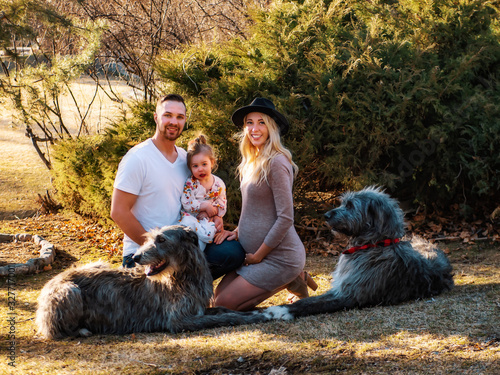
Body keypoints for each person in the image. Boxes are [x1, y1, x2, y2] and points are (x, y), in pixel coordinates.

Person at [110, 94, 245, 279]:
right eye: (168, 115)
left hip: (181, 249)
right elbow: (118, 212)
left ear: (184, 121)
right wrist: (157, 250)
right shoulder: (137, 158)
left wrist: (215, 222)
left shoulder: (185, 159)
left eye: (180, 117)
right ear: (156, 117)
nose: (174, 121)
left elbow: (196, 200)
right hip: (144, 253)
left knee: (233, 251)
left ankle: (200, 295)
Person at [213, 97, 317, 311]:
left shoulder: (276, 162)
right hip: (255, 255)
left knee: (224, 304)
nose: (254, 128)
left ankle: (289, 278)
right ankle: (294, 280)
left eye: (261, 122)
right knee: (217, 298)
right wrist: (239, 231)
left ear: (271, 127)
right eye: (249, 122)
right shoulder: (251, 162)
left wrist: (259, 255)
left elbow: (286, 217)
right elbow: (255, 208)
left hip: (279, 257)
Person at [180, 135, 227, 251]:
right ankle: (193, 247)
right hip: (192, 217)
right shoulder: (191, 183)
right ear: (190, 168)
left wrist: (214, 214)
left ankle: (199, 249)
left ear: (212, 162)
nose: (200, 169)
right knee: (187, 225)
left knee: (210, 231)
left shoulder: (219, 184)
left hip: (208, 219)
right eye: (195, 166)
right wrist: (204, 206)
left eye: (204, 164)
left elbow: (221, 202)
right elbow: (186, 202)